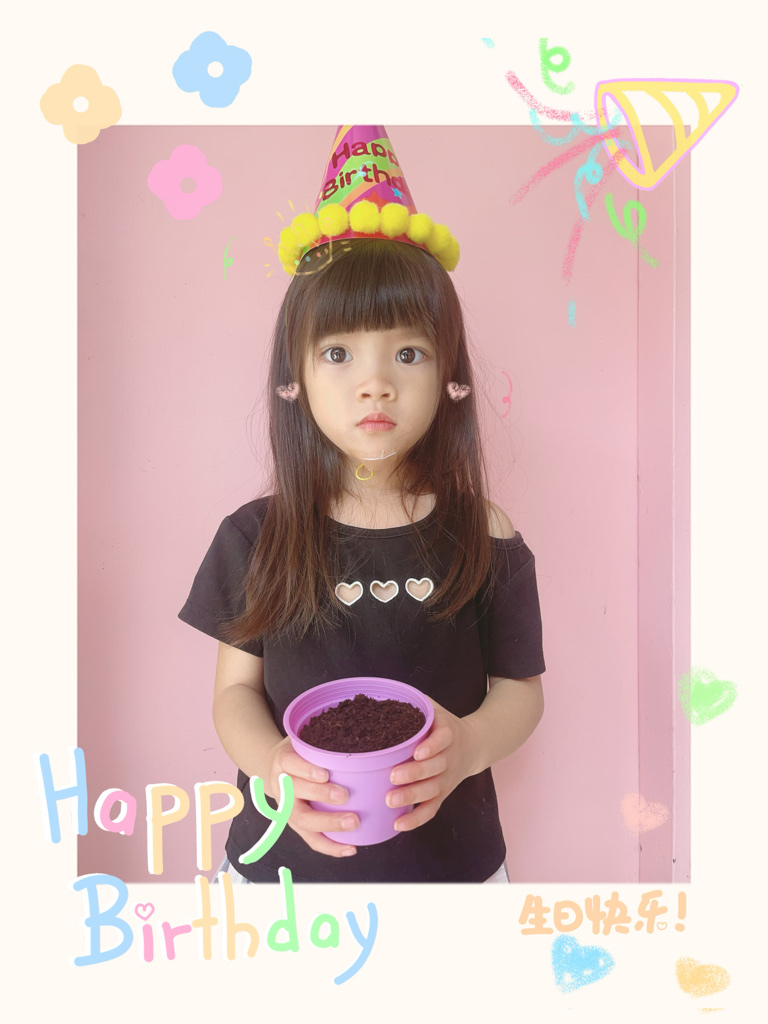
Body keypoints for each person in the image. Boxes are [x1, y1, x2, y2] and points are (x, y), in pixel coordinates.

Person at [179, 126, 546, 882]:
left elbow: (520, 690)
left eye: (408, 353)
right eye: (338, 353)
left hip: (452, 872)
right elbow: (234, 695)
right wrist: (272, 763)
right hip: (279, 877)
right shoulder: (254, 537)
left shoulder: (485, 534)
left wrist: (471, 747)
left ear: (449, 376)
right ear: (295, 378)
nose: (374, 383)